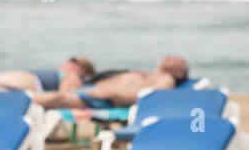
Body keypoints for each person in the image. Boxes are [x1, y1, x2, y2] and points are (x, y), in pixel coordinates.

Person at [32, 56, 190, 110]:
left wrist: (109, 93)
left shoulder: (167, 79)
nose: (171, 57)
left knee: (57, 98)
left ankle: (21, 101)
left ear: (179, 73)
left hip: (102, 99)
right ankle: (19, 100)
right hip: (94, 91)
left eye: (179, 61)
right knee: (59, 93)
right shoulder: (153, 75)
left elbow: (150, 98)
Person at [0, 56, 96, 94]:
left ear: (82, 71)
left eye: (74, 61)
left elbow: (63, 97)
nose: (69, 62)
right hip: (14, 84)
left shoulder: (72, 76)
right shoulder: (62, 75)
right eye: (70, 59)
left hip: (26, 86)